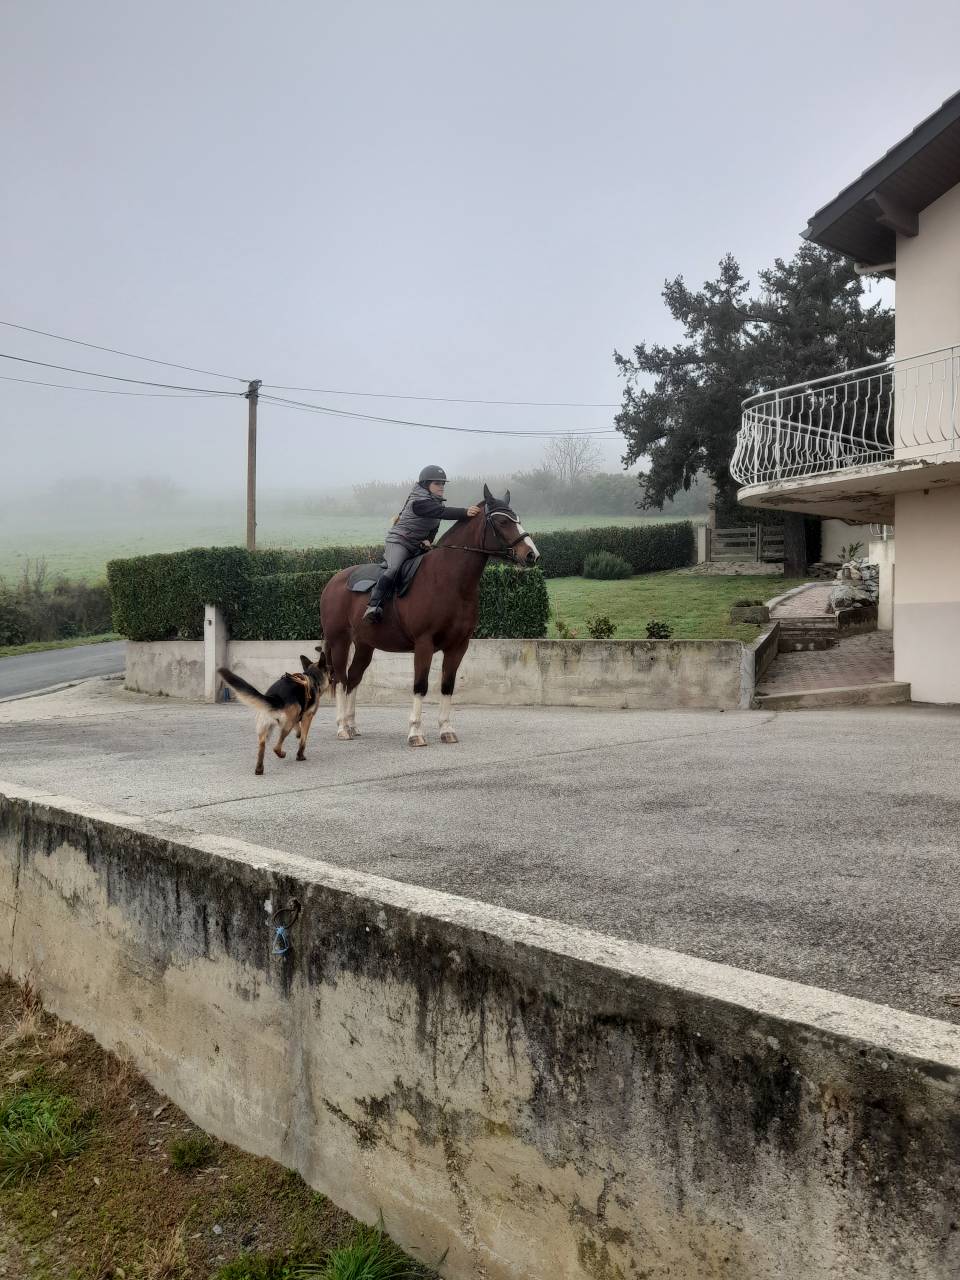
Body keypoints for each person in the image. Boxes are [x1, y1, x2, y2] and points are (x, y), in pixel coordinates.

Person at [362, 466, 482, 622]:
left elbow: (434, 527)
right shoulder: (419, 502)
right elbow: (441, 513)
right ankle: (373, 606)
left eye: (443, 484)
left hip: (417, 545)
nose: (441, 487)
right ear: (426, 485)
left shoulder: (435, 503)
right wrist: (464, 512)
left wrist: (429, 541)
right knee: (394, 568)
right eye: (437, 483)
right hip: (400, 541)